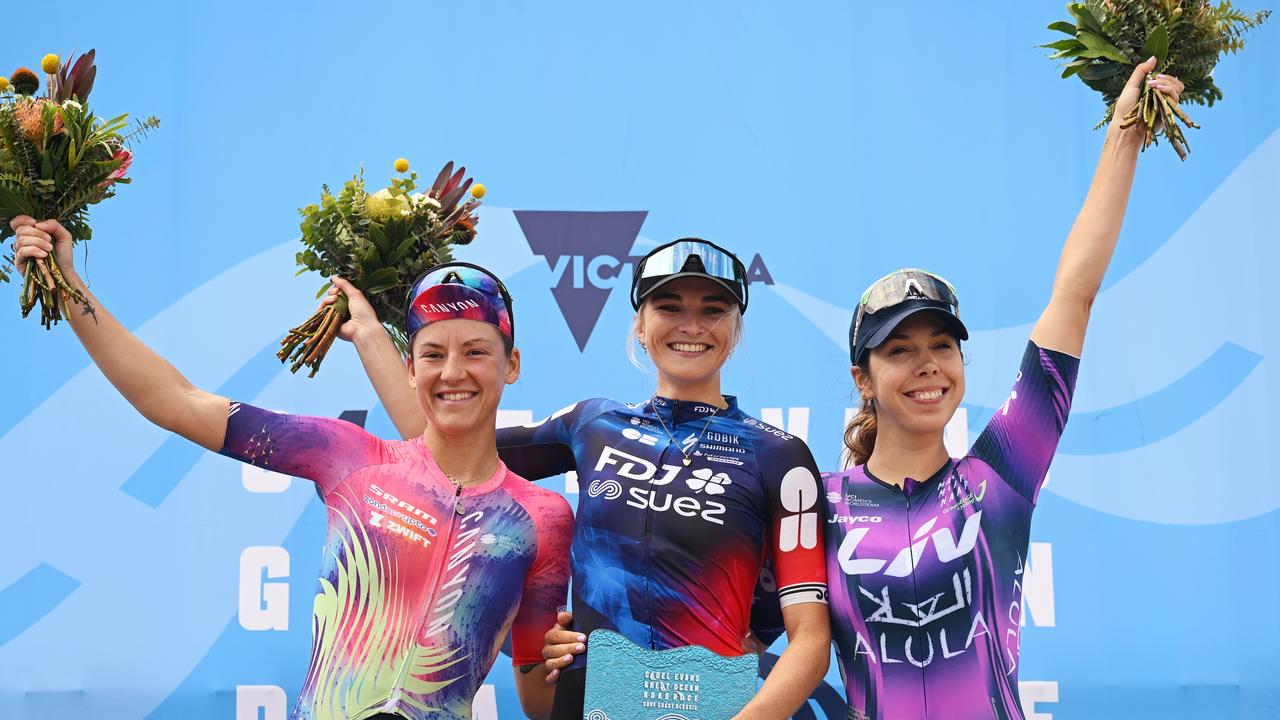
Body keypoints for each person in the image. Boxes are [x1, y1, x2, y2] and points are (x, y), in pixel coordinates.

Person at [7, 231, 571, 720]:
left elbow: (535, 701)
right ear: (410, 367)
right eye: (432, 354)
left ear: (511, 365)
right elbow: (174, 401)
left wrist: (562, 658)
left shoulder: (543, 518)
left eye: (475, 352)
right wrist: (67, 284)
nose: (453, 373)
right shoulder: (351, 458)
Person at [824, 59, 1184, 719]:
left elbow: (1074, 295)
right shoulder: (817, 508)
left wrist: (1124, 136)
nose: (927, 365)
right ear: (863, 381)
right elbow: (730, 629)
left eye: (942, 346)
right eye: (899, 351)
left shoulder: (1002, 475)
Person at [341, 238, 831, 720]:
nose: (691, 326)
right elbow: (439, 442)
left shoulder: (777, 455)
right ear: (640, 325)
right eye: (669, 305)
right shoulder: (593, 424)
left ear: (735, 330)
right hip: (589, 703)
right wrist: (368, 333)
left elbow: (810, 639)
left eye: (713, 310)